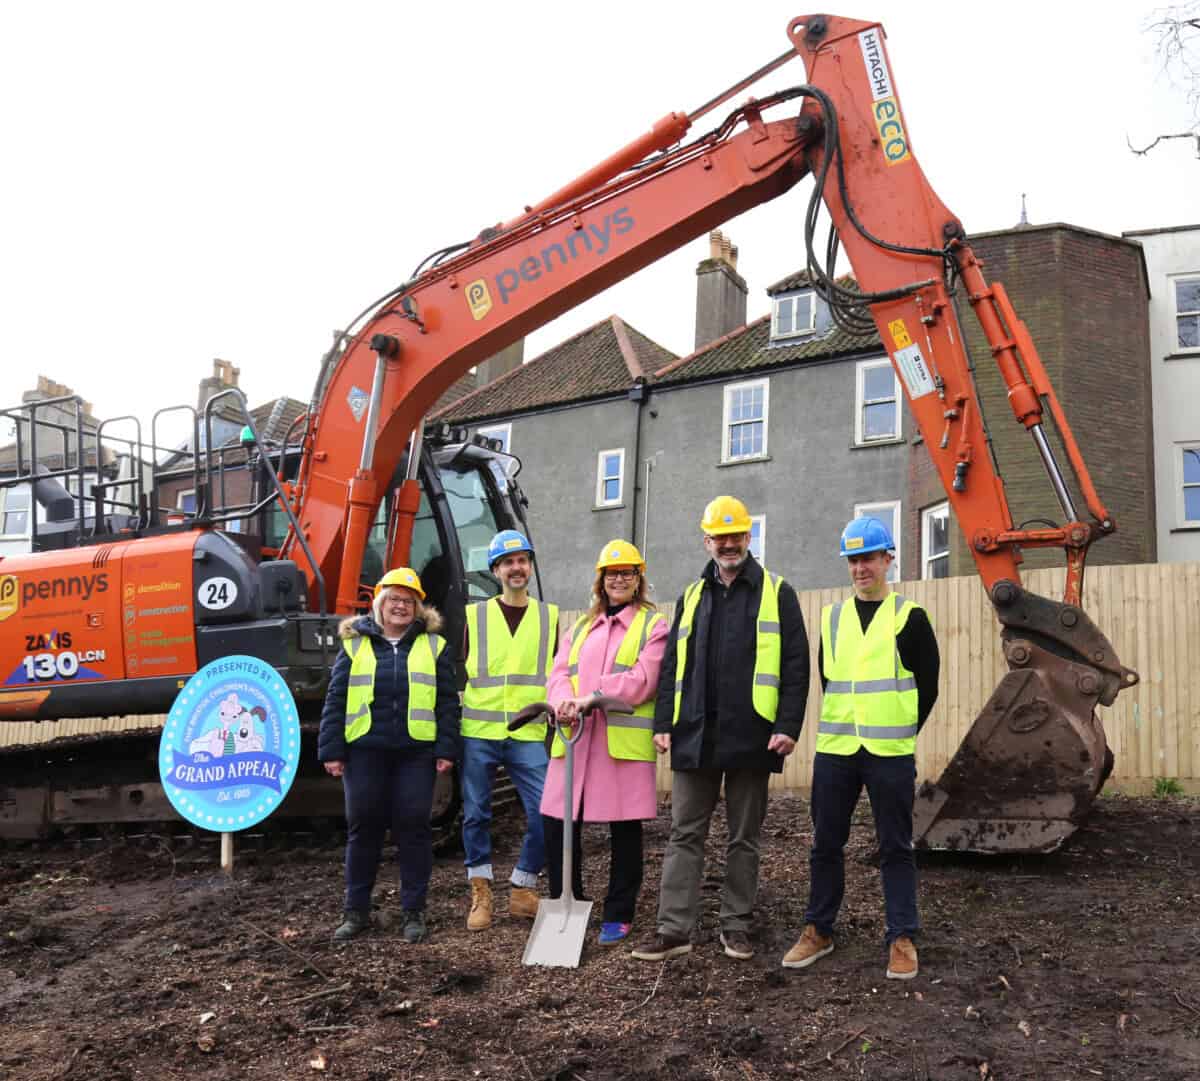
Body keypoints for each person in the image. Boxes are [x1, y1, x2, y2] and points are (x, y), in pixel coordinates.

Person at [631, 496, 809, 963]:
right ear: (706, 540)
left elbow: (796, 664)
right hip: (696, 734)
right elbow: (671, 668)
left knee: (743, 838)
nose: (729, 544)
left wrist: (788, 725)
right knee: (684, 833)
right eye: (720, 536)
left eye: (737, 536)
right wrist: (664, 723)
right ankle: (674, 930)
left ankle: (736, 927)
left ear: (749, 537)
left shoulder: (777, 591)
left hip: (753, 735)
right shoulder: (691, 595)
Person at [781, 516, 940, 980]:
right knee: (825, 842)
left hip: (889, 752)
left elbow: (927, 687)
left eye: (868, 557)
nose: (860, 567)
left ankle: (902, 936)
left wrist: (902, 732)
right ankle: (819, 928)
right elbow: (829, 681)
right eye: (853, 560)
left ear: (888, 558)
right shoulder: (831, 619)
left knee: (896, 845)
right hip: (836, 750)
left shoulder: (909, 618)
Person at [318, 567, 460, 944]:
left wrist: (446, 748)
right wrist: (331, 749)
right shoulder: (354, 646)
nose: (400, 606)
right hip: (365, 751)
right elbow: (335, 700)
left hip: (416, 752)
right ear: (379, 604)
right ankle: (356, 911)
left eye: (408, 601)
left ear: (417, 607)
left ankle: (413, 912)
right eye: (393, 599)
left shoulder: (434, 646)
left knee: (414, 827)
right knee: (363, 827)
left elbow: (447, 703)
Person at [542, 540, 669, 946]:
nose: (619, 579)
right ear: (601, 580)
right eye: (612, 573)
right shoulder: (579, 626)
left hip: (619, 745)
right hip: (576, 740)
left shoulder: (653, 625)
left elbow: (643, 679)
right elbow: (560, 670)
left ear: (638, 580)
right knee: (557, 824)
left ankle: (619, 912)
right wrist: (562, 700)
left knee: (625, 830)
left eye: (627, 573)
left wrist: (591, 696)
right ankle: (568, 901)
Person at [460, 529, 559, 931]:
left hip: (529, 732)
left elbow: (560, 673)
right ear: (496, 570)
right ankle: (480, 892)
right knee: (476, 814)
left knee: (547, 812)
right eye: (508, 562)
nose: (516, 568)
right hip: (479, 731)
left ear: (530, 567)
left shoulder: (549, 617)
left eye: (522, 561)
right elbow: (457, 671)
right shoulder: (474, 616)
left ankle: (522, 886)